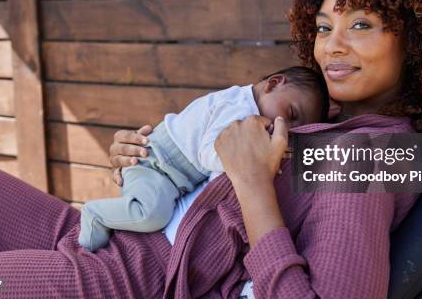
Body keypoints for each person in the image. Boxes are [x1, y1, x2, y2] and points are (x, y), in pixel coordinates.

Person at [0, 0, 422, 298]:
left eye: (361, 25)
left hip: (123, 283)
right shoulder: (322, 116)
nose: (332, 48)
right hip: (92, 235)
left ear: (415, 43)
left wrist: (251, 185)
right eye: (324, 28)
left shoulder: (368, 155)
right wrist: (146, 162)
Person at [78, 66, 329, 252]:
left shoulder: (249, 110)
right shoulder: (239, 108)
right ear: (273, 84)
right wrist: (254, 159)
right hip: (156, 164)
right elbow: (209, 152)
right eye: (291, 113)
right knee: (151, 214)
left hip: (171, 177)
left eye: (294, 129)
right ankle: (93, 217)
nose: (283, 126)